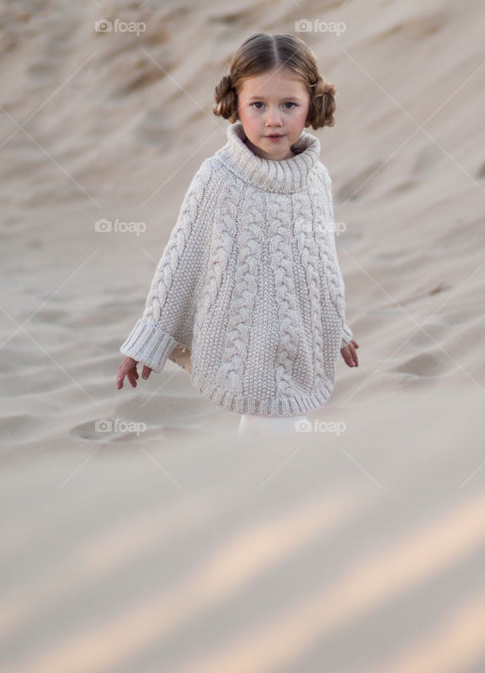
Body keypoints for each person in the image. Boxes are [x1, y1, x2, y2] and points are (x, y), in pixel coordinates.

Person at [116, 32, 359, 436]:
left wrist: (337, 326)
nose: (274, 119)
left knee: (282, 441)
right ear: (235, 105)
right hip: (250, 346)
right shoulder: (219, 178)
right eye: (258, 105)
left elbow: (322, 266)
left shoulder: (317, 179)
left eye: (289, 105)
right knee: (272, 431)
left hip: (299, 343)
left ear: (312, 106)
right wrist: (149, 339)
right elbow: (183, 261)